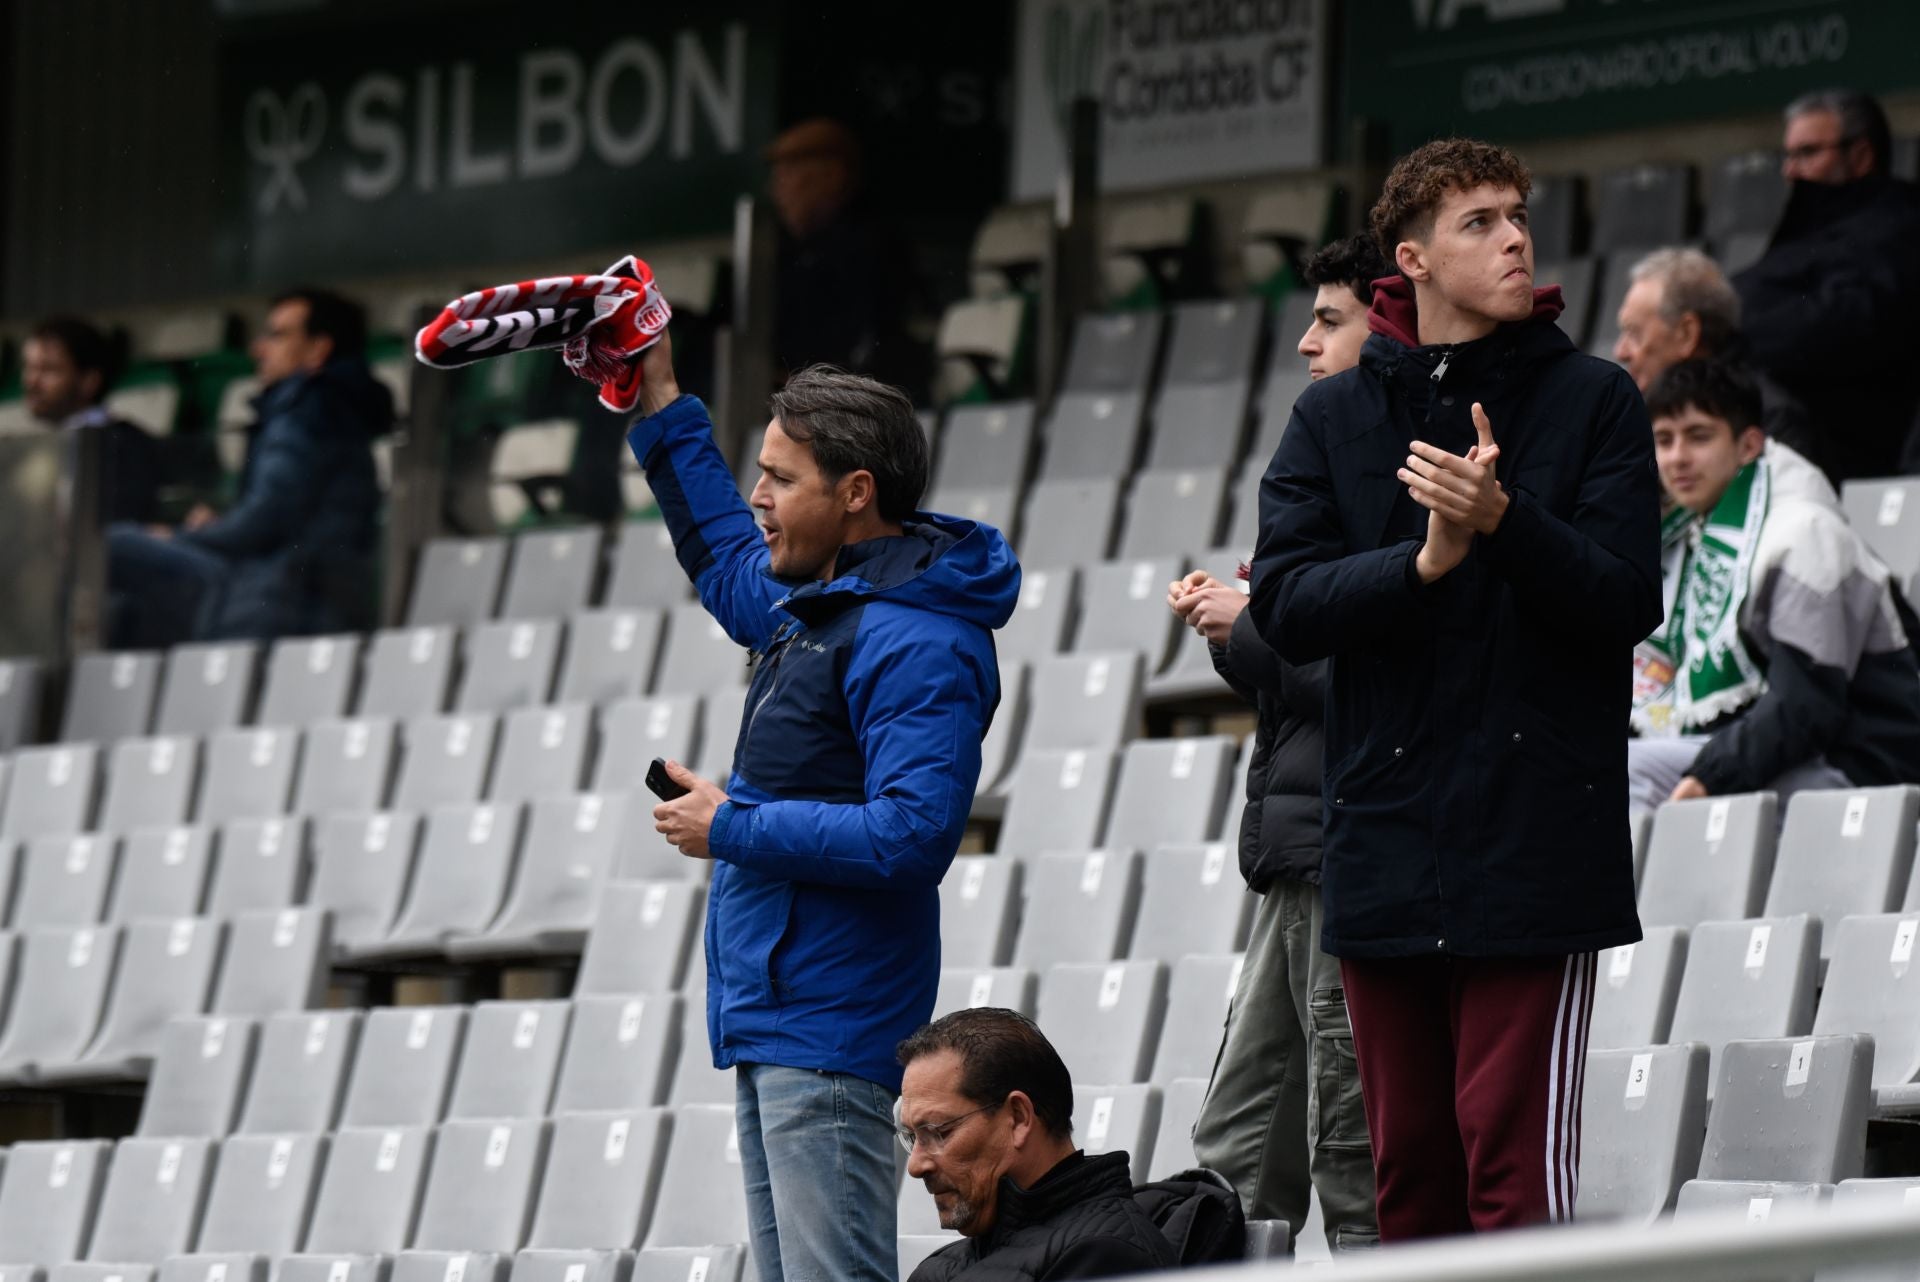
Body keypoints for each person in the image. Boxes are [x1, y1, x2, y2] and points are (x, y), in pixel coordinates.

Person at [1251, 138, 1662, 1240]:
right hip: (1382, 847)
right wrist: (1423, 563)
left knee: (1512, 1186)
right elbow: (1283, 602)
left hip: (1535, 848)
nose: (1516, 238)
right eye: (1480, 222)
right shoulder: (1332, 417)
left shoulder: (1596, 398)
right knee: (1411, 1190)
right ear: (1414, 259)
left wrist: (1504, 523)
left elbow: (1628, 598)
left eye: (1518, 215)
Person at [631, 331, 1017, 1282]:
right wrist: (658, 397)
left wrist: (730, 827)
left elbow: (912, 834)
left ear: (855, 494)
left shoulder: (919, 639)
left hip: (831, 1029)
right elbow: (724, 558)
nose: (758, 497)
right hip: (780, 1020)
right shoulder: (822, 601)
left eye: (780, 478)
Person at [1164, 234, 1384, 1250]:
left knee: (1353, 1153)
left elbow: (1379, 681)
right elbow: (1301, 678)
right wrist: (1238, 633)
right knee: (1236, 1152)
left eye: (1330, 320)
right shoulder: (1326, 469)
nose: (1305, 342)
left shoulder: (1406, 481)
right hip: (1295, 864)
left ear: (1391, 324)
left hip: (1356, 864)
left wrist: (1251, 625)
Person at [1628, 359, 1920, 811]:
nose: (1678, 458)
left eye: (1699, 436)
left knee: (1630, 773)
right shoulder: (1692, 534)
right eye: (1664, 440)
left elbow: (1806, 704)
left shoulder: (1803, 533)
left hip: (1859, 763)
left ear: (1749, 445)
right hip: (1780, 754)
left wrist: (1712, 776)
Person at [105, 288, 386, 648]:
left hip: (284, 596)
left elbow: (264, 522)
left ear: (318, 350)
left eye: (277, 336)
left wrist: (179, 537)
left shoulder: (306, 411)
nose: (258, 349)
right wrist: (219, 525)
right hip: (295, 589)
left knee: (114, 544)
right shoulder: (326, 409)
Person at [897, 1008, 1180, 1281]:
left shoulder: (1109, 1257)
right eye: (912, 1137)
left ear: (1019, 1118)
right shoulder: (942, 1266)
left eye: (939, 1132)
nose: (915, 1166)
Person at [1734, 90, 1920, 481]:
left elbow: (1846, 324)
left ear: (1861, 155)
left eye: (1807, 153)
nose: (1791, 170)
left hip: (1848, 453)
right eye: (1788, 155)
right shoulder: (1807, 223)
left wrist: (1734, 329)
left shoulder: (1895, 225)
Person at [1611, 248, 1813, 460]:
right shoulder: (1630, 415)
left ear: (1686, 334)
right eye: (1665, 440)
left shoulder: (1772, 421)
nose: (1620, 352)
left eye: (1634, 333)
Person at [767, 118, 917, 388]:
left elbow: (867, 348)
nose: (778, 191)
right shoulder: (786, 254)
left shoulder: (872, 246)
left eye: (788, 174)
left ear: (833, 176)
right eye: (777, 177)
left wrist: (804, 385)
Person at [21, 316, 159, 525]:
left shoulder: (125, 445)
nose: (32, 381)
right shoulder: (32, 449)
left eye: (49, 370)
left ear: (89, 381)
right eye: (30, 367)